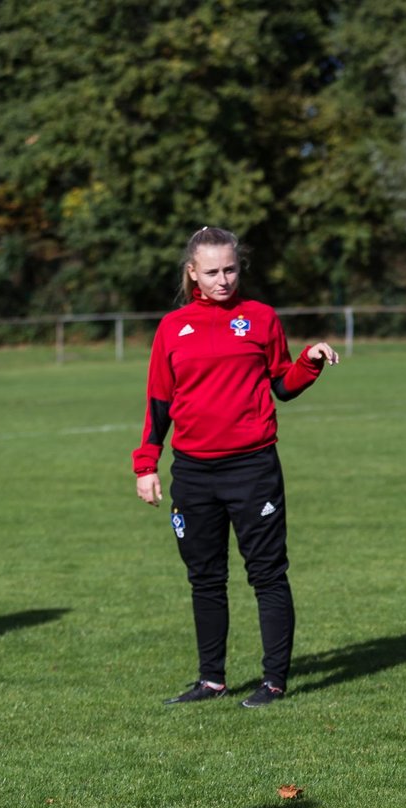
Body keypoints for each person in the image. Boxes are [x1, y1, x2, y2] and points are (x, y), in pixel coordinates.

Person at [132, 226, 339, 709]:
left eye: (230, 269)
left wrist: (307, 361)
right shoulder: (171, 328)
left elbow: (282, 385)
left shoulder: (261, 319)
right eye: (212, 272)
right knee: (204, 578)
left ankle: (274, 680)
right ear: (193, 273)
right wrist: (147, 464)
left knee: (267, 574)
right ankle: (211, 679)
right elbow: (159, 404)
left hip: (252, 470)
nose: (223, 279)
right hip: (193, 474)